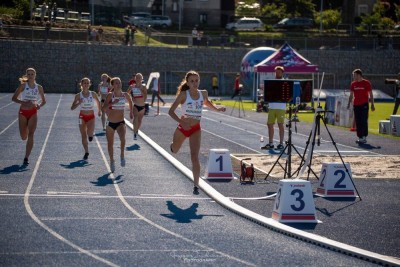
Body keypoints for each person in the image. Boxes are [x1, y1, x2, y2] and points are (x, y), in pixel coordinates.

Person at [168, 70, 226, 195]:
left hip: (195, 129)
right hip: (183, 128)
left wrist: (217, 109)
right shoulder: (184, 94)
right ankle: (172, 146)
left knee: (194, 156)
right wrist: (181, 121)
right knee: (175, 150)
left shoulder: (203, 93)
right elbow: (171, 111)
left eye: (196, 80)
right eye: (192, 81)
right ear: (187, 83)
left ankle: (196, 185)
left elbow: (207, 103)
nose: (195, 83)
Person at [11, 68, 46, 165]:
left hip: (33, 112)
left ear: (35, 75)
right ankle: (25, 129)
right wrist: (23, 102)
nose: (30, 76)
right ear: (26, 76)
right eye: (29, 74)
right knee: (23, 137)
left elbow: (44, 101)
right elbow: (14, 98)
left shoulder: (39, 87)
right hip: (23, 112)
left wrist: (39, 105)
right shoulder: (23, 86)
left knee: (31, 134)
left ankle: (26, 157)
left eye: (32, 74)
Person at [102, 77, 133, 172]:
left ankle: (122, 155)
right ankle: (111, 160)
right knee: (110, 144)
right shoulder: (110, 95)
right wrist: (112, 103)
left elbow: (131, 102)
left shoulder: (125, 95)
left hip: (120, 122)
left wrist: (131, 112)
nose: (118, 84)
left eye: (119, 83)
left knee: (123, 139)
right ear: (113, 85)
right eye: (116, 83)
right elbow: (103, 108)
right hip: (110, 123)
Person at [70, 77, 101, 160]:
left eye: (88, 83)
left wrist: (99, 111)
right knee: (83, 135)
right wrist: (78, 103)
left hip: (91, 117)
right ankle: (86, 152)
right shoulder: (78, 96)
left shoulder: (93, 94)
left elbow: (98, 102)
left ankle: (90, 135)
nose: (86, 84)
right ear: (82, 84)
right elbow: (72, 108)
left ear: (89, 84)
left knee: (89, 133)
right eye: (85, 83)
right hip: (82, 117)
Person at [261, 66, 286, 150]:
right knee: (269, 124)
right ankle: (271, 143)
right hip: (272, 106)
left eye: (279, 72)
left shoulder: (285, 82)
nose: (277, 73)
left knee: (280, 124)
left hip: (281, 107)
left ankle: (281, 143)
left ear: (282, 73)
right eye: (276, 72)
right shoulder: (271, 82)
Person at [347, 69, 375, 144]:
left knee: (363, 120)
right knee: (358, 121)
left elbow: (371, 94)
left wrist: (372, 104)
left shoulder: (366, 83)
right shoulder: (353, 84)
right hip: (356, 105)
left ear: (359, 75)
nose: (353, 77)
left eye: (354, 75)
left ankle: (364, 136)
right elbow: (351, 95)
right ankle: (360, 137)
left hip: (364, 104)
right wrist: (348, 103)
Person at [127, 73, 147, 140]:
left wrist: (142, 92)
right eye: (137, 77)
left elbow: (145, 98)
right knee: (135, 117)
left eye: (139, 78)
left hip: (142, 106)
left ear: (142, 79)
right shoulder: (132, 86)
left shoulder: (144, 87)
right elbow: (127, 94)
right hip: (135, 105)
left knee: (139, 120)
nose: (138, 79)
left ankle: (136, 130)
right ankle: (135, 133)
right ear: (135, 78)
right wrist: (131, 98)